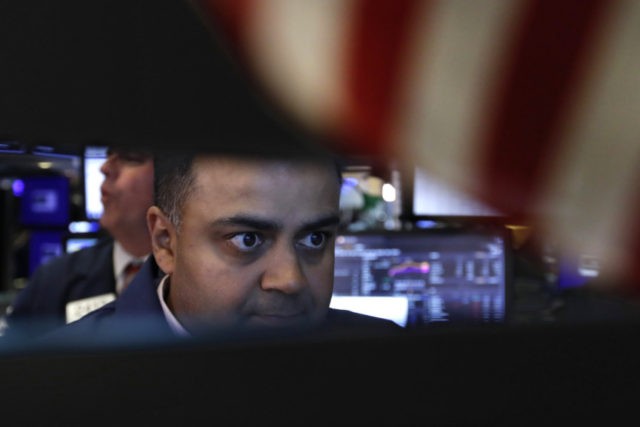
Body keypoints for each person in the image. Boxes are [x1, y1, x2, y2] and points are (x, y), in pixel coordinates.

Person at [42, 147, 401, 346]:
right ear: (165, 243)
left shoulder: (386, 359)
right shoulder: (59, 379)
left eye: (314, 239)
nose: (290, 280)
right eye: (247, 239)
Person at [3, 146, 156, 339]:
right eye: (108, 156)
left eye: (130, 157)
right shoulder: (53, 278)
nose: (104, 168)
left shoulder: (194, 277)